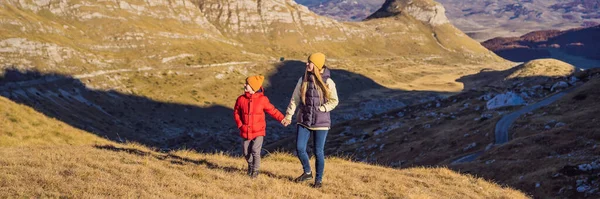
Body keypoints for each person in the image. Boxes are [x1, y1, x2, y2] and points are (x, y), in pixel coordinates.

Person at [281, 53, 339, 188]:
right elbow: (295, 99)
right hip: (304, 120)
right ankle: (307, 172)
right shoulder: (303, 79)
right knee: (300, 148)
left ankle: (318, 180)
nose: (307, 64)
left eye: (309, 62)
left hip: (321, 123)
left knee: (318, 151)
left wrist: (323, 108)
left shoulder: (328, 82)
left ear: (317, 65)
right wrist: (289, 115)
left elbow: (334, 101)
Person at [234, 75, 285, 178]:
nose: (245, 85)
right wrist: (240, 125)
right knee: (246, 152)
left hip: (258, 131)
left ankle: (255, 171)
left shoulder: (262, 100)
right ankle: (250, 165)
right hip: (245, 131)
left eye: (247, 84)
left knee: (255, 151)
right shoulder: (240, 99)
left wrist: (282, 118)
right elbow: (236, 113)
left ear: (253, 87)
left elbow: (272, 110)